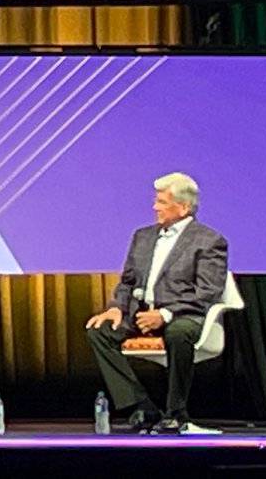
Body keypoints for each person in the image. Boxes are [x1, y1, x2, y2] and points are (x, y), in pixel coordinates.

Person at [85, 172, 228, 435]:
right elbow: (127, 281)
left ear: (183, 207)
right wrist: (116, 306)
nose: (154, 207)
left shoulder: (209, 241)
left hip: (183, 314)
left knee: (178, 333)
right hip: (139, 313)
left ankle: (176, 414)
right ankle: (142, 405)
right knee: (99, 331)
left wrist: (165, 314)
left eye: (162, 202)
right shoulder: (142, 236)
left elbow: (208, 291)